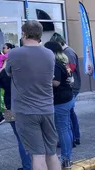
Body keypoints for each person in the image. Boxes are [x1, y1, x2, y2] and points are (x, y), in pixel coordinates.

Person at [6, 20, 61, 170]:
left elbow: (8, 72)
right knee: (51, 152)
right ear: (40, 34)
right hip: (47, 109)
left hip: (25, 111)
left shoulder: (15, 53)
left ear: (23, 34)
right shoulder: (49, 54)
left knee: (37, 154)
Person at [45, 41, 74, 169]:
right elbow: (69, 79)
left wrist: (43, 80)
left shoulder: (55, 64)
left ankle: (66, 159)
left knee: (63, 129)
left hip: (60, 101)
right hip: (67, 98)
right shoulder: (64, 62)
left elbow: (56, 82)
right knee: (66, 128)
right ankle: (67, 157)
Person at [50, 33, 81, 146]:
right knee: (68, 116)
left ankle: (73, 139)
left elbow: (70, 72)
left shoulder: (68, 53)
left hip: (71, 88)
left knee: (67, 118)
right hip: (69, 88)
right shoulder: (65, 53)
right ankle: (73, 138)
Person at [0, 66, 32, 170]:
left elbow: (1, 91)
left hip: (8, 108)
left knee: (20, 139)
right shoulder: (24, 71)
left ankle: (27, 166)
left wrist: (2, 110)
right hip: (24, 107)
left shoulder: (3, 72)